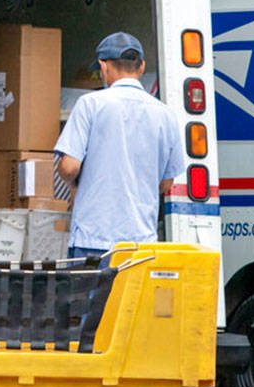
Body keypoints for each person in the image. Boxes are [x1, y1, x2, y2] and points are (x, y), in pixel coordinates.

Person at [54, 31, 184, 261]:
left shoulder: (90, 105)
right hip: (141, 244)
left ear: (103, 68)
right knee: (132, 299)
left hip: (94, 240)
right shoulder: (166, 114)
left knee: (91, 298)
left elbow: (69, 167)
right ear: (141, 67)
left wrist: (72, 179)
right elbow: (166, 183)